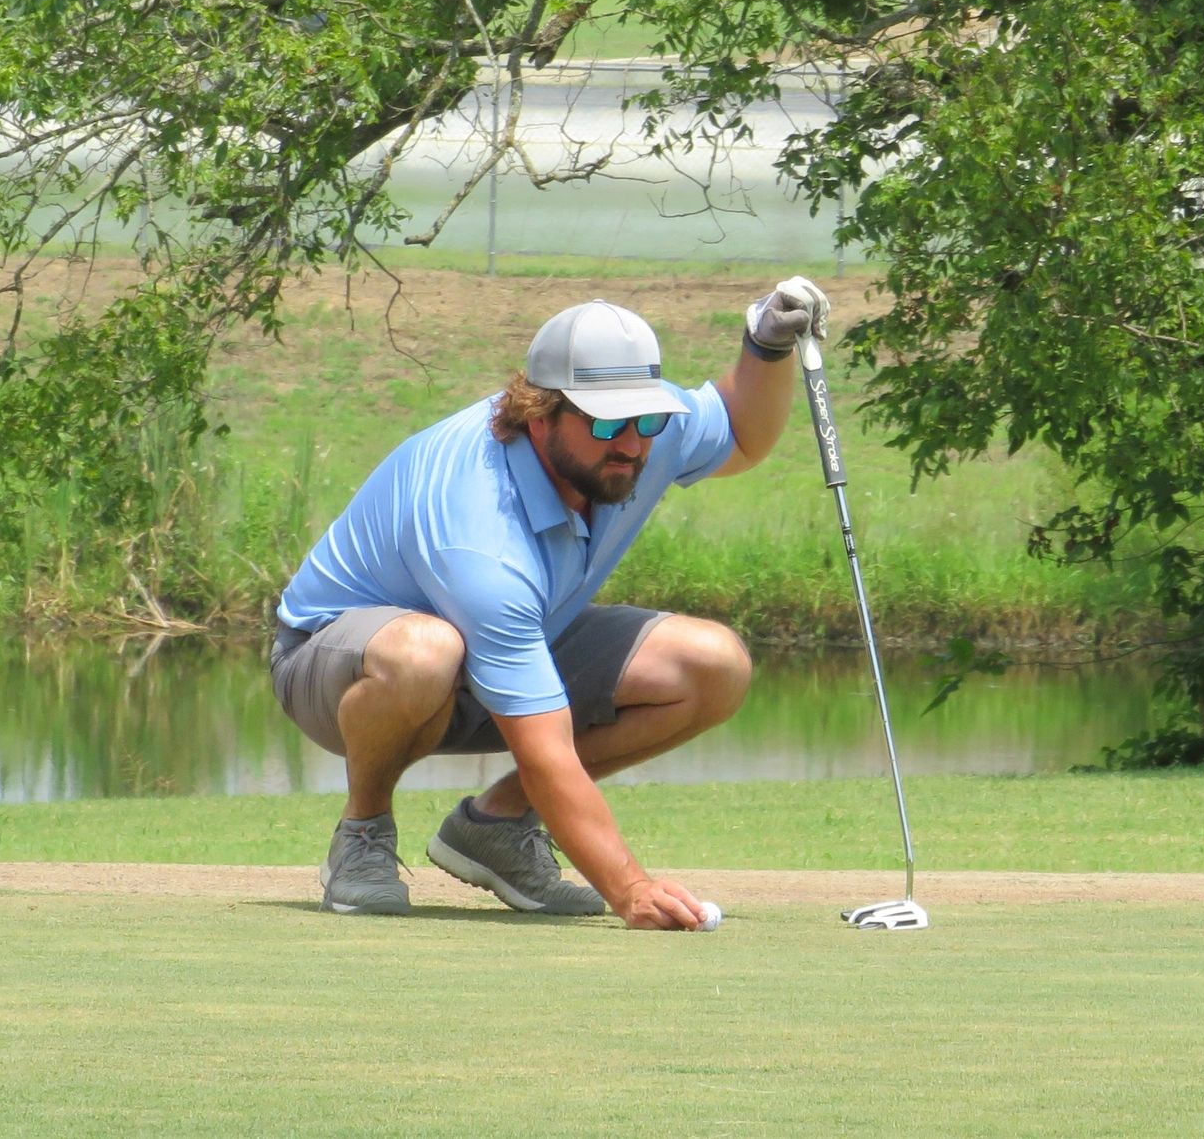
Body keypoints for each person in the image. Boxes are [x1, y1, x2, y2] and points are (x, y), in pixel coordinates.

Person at [268, 277, 829, 929]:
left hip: (495, 648)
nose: (631, 444)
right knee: (427, 652)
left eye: (646, 419)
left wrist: (764, 347)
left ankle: (496, 827)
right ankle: (362, 835)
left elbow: (741, 436)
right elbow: (545, 750)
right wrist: (629, 888)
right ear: (538, 413)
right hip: (335, 664)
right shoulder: (479, 529)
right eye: (607, 421)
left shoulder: (644, 432)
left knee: (713, 666)